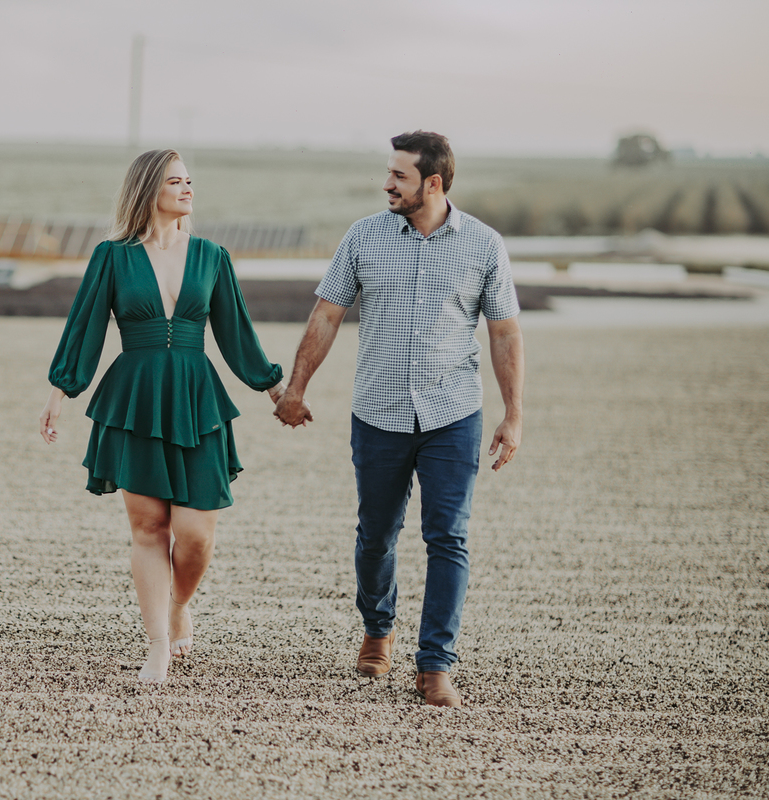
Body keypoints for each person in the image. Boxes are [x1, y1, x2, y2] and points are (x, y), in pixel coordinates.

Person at [274, 131, 525, 708]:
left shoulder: (484, 245)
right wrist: (296, 388)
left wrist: (513, 415)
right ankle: (377, 629)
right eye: (387, 173)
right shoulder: (363, 236)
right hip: (379, 412)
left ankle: (435, 664)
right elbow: (327, 313)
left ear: (432, 183)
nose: (387, 183)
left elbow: (505, 330)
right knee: (376, 536)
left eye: (400, 176)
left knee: (449, 537)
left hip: (453, 412)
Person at [39, 149, 287, 684]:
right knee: (148, 526)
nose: (187, 189)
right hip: (135, 396)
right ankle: (155, 646)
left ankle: (178, 604)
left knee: (195, 534)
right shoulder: (112, 256)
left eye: (190, 181)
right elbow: (84, 326)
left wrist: (275, 388)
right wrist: (62, 392)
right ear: (148, 189)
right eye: (176, 181)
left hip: (197, 397)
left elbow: (236, 332)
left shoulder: (212, 256)